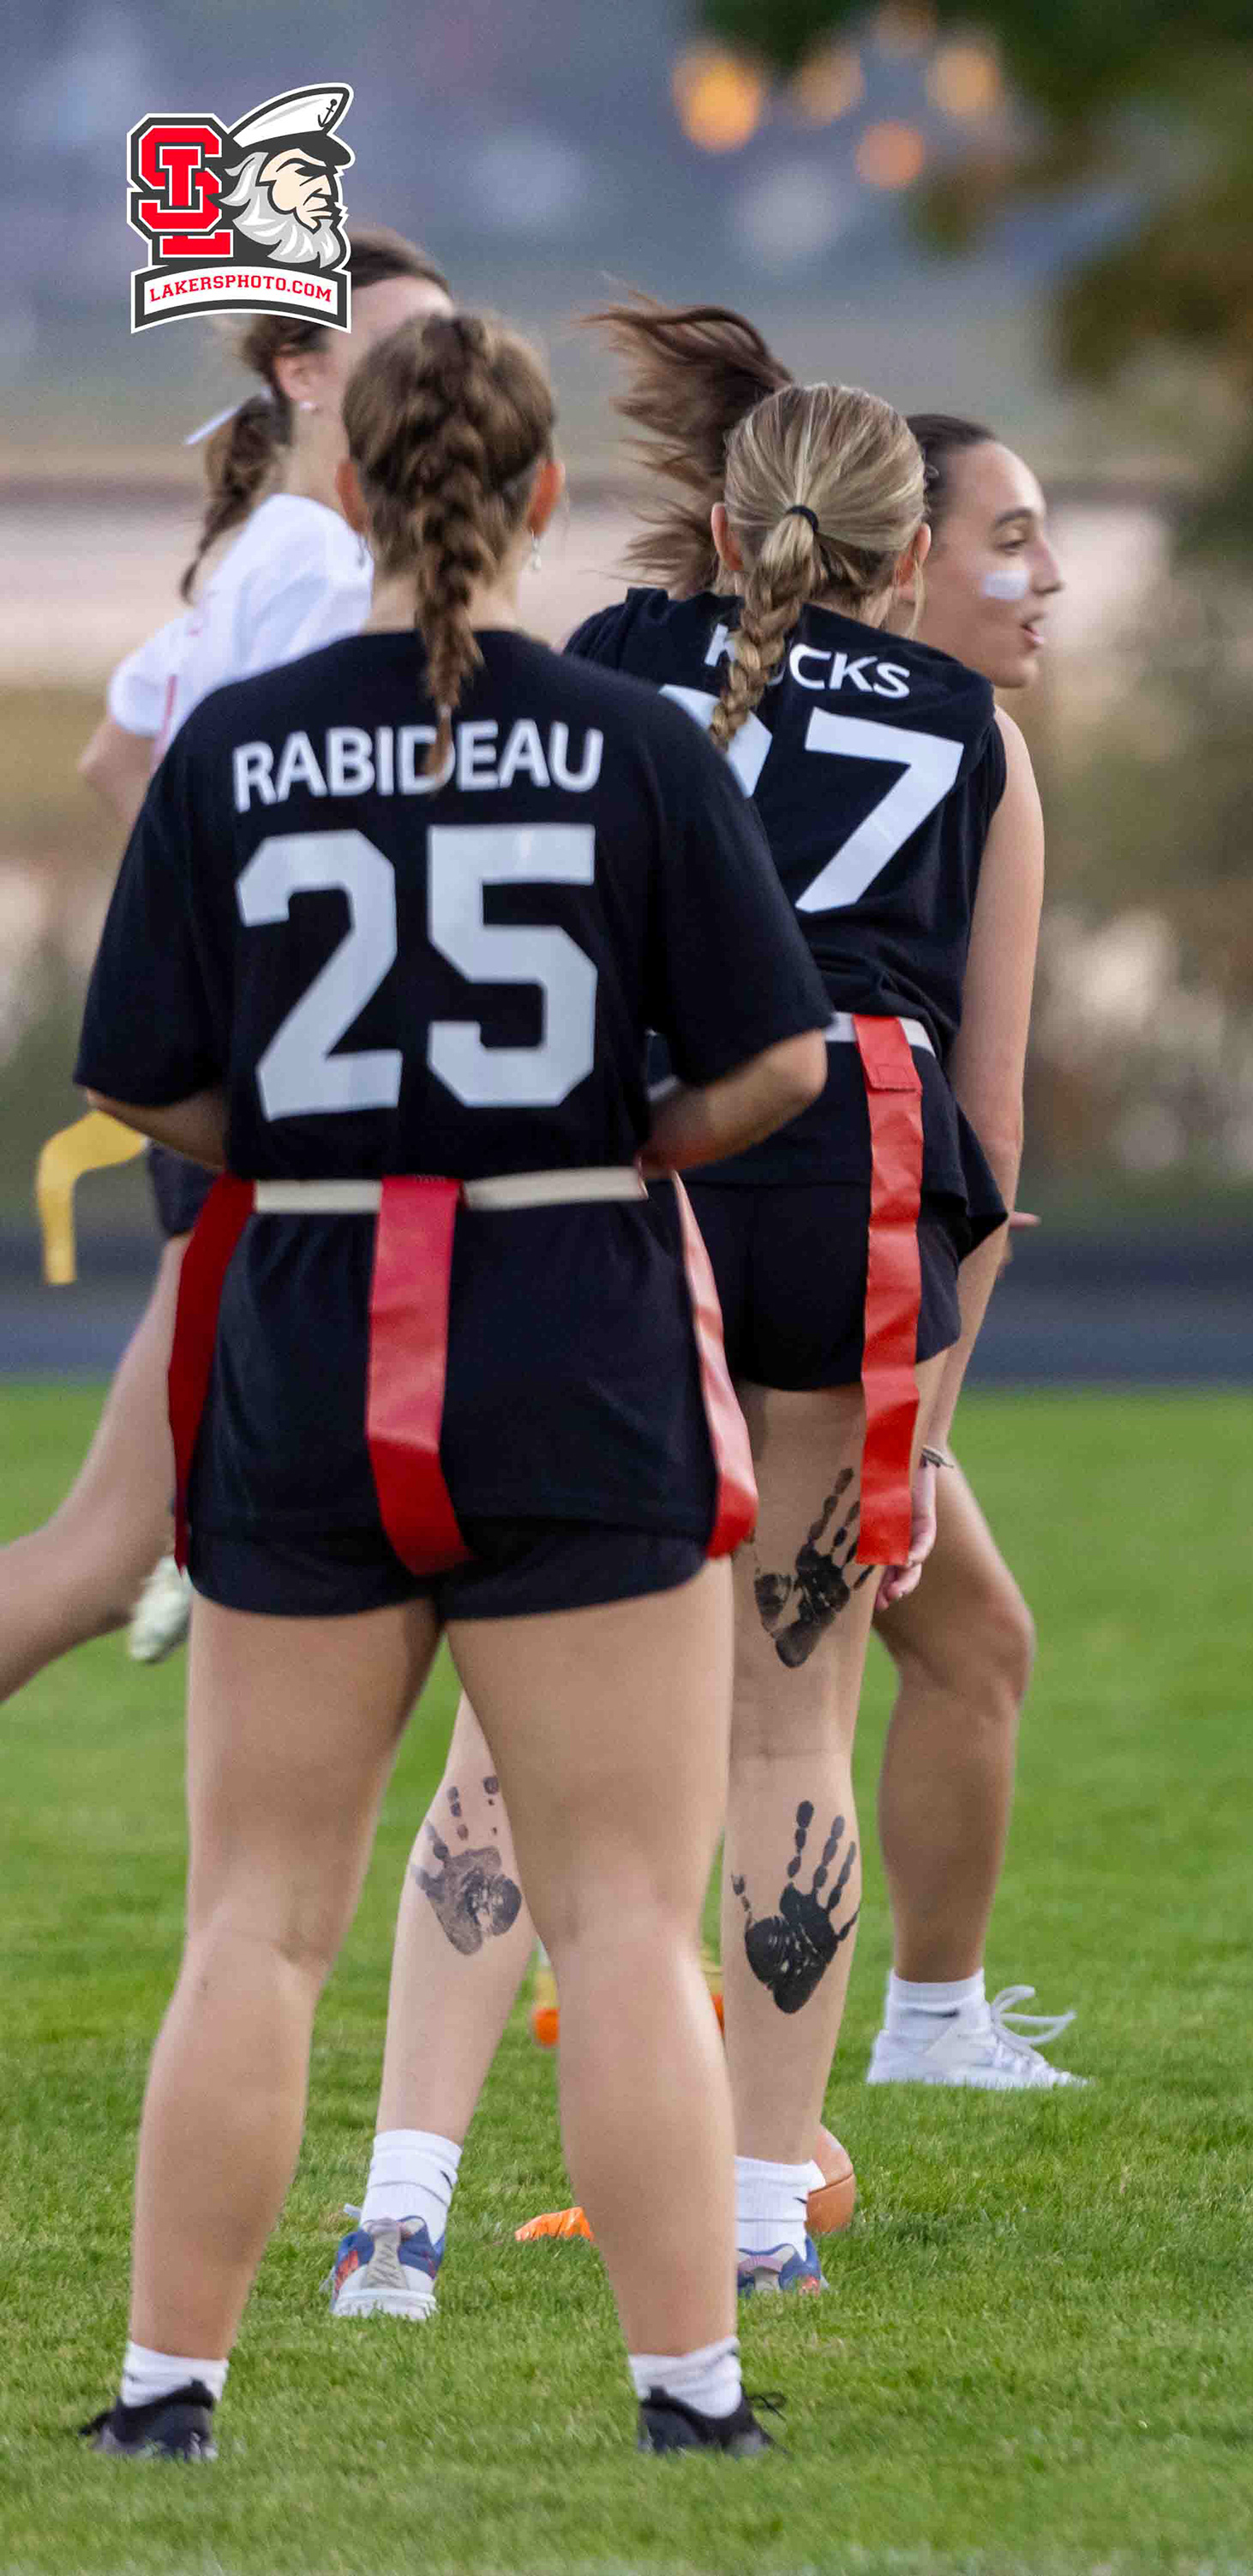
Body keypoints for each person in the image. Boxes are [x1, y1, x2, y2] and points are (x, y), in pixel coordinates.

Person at [71, 311, 830, 2463]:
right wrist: (626, 1148)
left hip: (317, 1330)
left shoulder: (235, 747)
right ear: (543, 497)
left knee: (257, 1922)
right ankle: (690, 2397)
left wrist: (323, 1156)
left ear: (349, 490)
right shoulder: (631, 742)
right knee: (624, 1912)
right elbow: (780, 1062)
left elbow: (146, 1081)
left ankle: (168, 2391)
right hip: (570, 1321)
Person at [330, 372, 1072, 2319]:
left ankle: (398, 2214)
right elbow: (991, 1135)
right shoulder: (977, 741)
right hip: (849, 1177)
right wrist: (928, 1431)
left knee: (514, 1705)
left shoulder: (614, 660)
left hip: (625, 1165)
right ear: (912, 558)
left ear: (728, 533)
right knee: (786, 1719)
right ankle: (756, 2215)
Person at [13, 232, 453, 1699]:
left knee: (221, 1541)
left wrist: (209, 947)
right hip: (287, 1111)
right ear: (302, 372)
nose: (437, 376)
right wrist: (271, 973)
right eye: (401, 346)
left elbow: (118, 754)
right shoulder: (326, 564)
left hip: (251, 1087)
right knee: (123, 1551)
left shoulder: (271, 543)